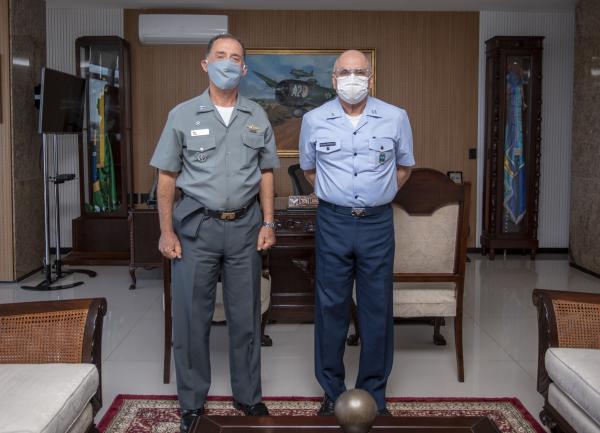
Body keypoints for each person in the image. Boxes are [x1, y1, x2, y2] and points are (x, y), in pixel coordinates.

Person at [150, 34, 280, 432]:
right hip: (196, 228)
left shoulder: (257, 114)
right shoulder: (183, 115)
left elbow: (266, 173)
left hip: (244, 228)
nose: (227, 63)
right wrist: (165, 231)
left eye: (235, 58)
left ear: (244, 69)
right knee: (192, 319)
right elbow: (166, 176)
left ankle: (248, 397)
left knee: (246, 318)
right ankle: (191, 402)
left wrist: (269, 222)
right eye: (220, 56)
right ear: (205, 64)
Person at [299, 49, 415, 416]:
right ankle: (332, 390)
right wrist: (336, 197)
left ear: (371, 76)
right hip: (332, 222)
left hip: (377, 223)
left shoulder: (396, 117)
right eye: (345, 72)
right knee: (330, 306)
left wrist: (380, 195)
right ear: (333, 79)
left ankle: (374, 393)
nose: (352, 78)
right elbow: (309, 170)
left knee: (376, 308)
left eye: (359, 71)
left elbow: (404, 168)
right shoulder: (314, 119)